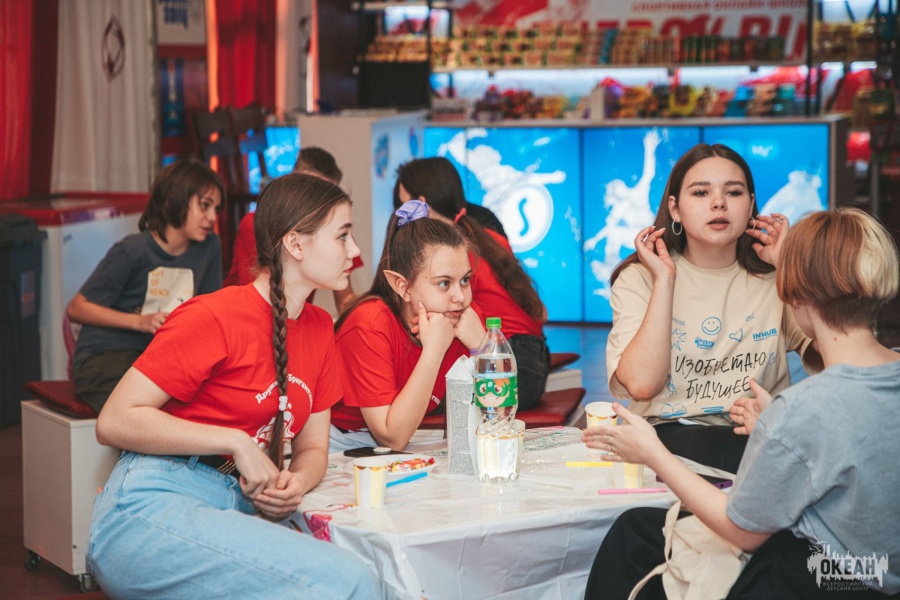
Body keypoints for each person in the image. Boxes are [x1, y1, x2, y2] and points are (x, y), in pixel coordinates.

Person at [87, 173, 379, 598]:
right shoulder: (213, 315)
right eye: (343, 236)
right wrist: (236, 442)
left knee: (361, 572)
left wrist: (297, 482)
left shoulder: (320, 328)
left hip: (234, 504)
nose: (354, 252)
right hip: (152, 501)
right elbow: (113, 421)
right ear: (296, 245)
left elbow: (314, 447)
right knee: (351, 580)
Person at [583, 207, 900, 599]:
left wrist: (654, 453)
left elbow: (742, 531)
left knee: (631, 538)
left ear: (794, 296)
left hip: (816, 580)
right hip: (871, 574)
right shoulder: (809, 407)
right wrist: (774, 423)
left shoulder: (801, 409)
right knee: (638, 529)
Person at [605, 142, 820, 473]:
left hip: (762, 430)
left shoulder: (775, 276)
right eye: (701, 192)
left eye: (733, 192)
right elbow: (642, 385)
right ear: (675, 209)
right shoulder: (641, 277)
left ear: (751, 205)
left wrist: (789, 268)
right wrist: (665, 280)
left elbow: (838, 355)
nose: (719, 203)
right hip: (667, 435)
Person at [67, 160, 224, 413]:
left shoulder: (209, 247)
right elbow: (77, 308)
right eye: (205, 205)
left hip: (159, 358)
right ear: (174, 200)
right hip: (106, 356)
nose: (212, 217)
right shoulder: (133, 250)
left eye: (216, 208)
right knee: (149, 410)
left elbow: (209, 310)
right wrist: (140, 322)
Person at [393, 157, 550, 410]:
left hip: (503, 358)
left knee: (413, 398)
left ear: (420, 203)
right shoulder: (486, 234)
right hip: (535, 353)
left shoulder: (447, 254)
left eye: (403, 206)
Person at [329, 200, 486, 451]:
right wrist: (434, 351)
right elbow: (391, 437)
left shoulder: (461, 317)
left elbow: (501, 413)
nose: (460, 297)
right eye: (444, 283)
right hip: (337, 444)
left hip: (401, 442)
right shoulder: (369, 324)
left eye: (465, 280)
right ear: (403, 287)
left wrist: (483, 348)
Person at [225, 146, 362, 312]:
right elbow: (257, 301)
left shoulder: (334, 232)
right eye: (312, 193)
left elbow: (345, 299)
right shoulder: (255, 224)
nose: (321, 206)